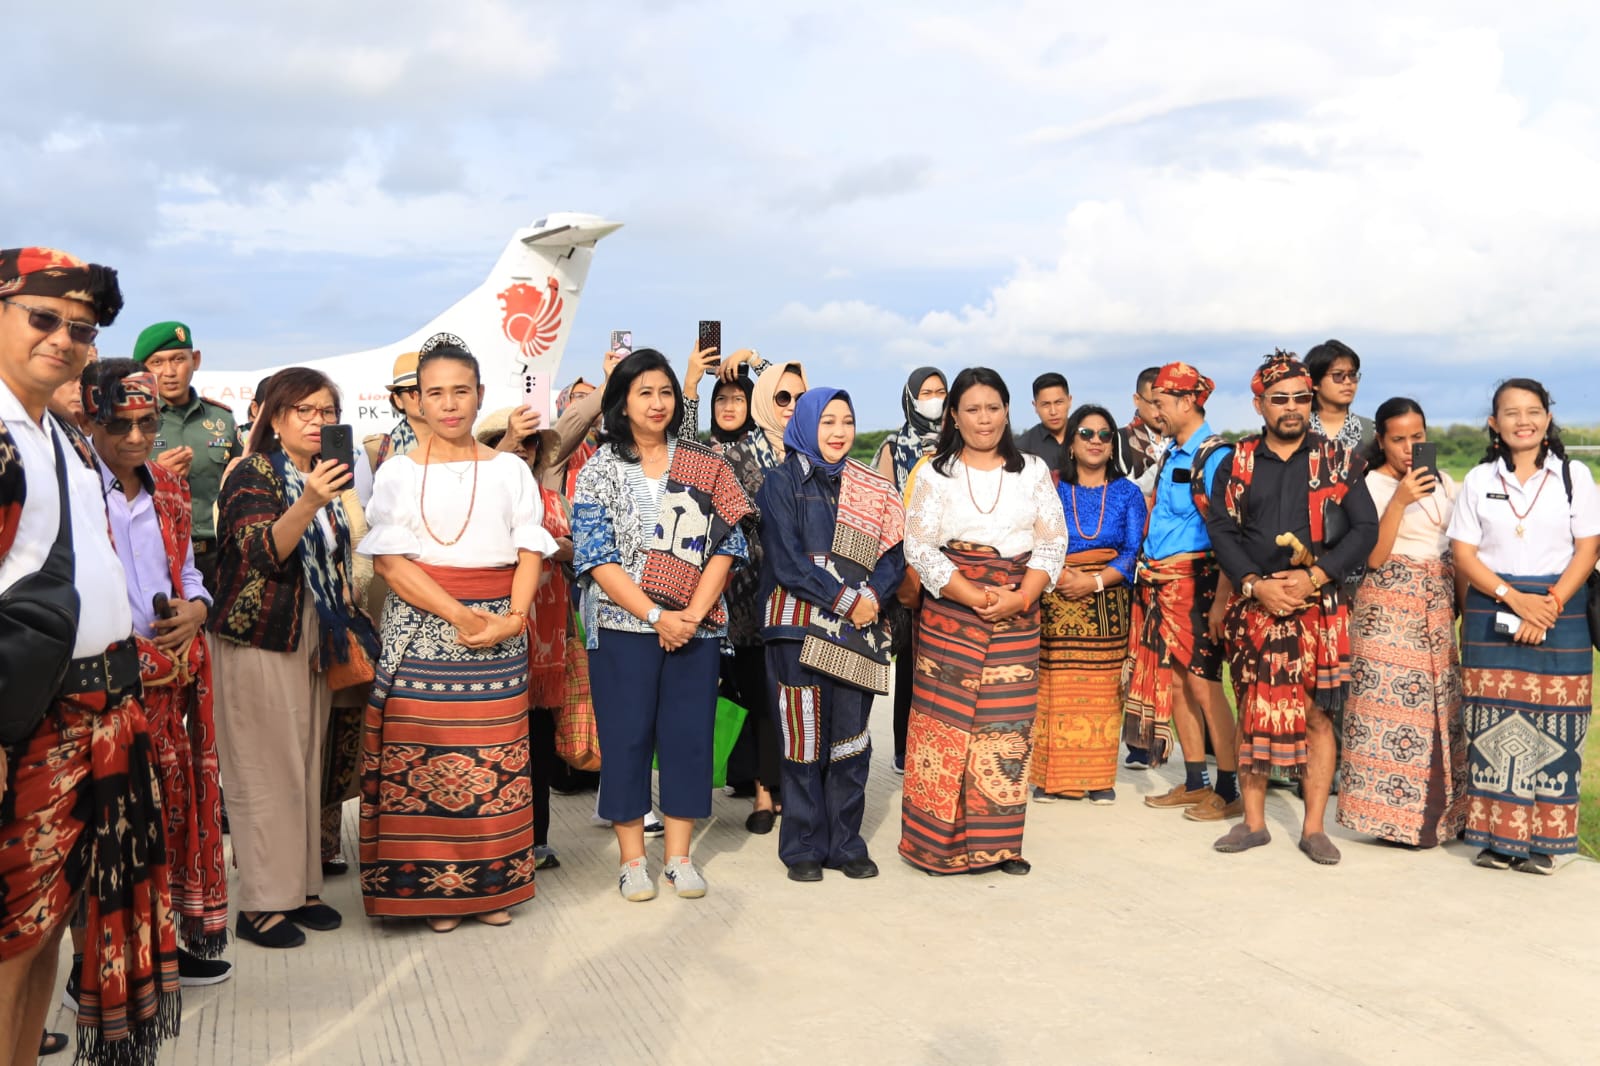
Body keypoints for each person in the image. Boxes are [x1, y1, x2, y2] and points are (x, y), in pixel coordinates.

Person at [0, 247, 180, 1066]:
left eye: (80, 328)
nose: (65, 340)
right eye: (42, 319)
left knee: (44, 935)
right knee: (8, 935)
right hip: (29, 723)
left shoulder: (62, 439)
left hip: (100, 712)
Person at [358, 349, 556, 929]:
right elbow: (391, 565)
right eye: (436, 392)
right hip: (423, 630)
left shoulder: (509, 469)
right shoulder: (396, 471)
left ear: (478, 393)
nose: (448, 404)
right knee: (425, 762)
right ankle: (433, 896)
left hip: (499, 631)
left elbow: (530, 552)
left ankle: (491, 890)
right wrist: (461, 617)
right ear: (417, 399)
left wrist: (512, 619)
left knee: (495, 766)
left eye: (461, 391)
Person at [572, 349, 752, 901]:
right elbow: (594, 555)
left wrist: (692, 615)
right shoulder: (599, 468)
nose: (656, 403)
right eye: (644, 392)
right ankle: (632, 861)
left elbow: (731, 540)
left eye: (666, 392)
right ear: (621, 401)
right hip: (621, 629)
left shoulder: (703, 460)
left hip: (695, 631)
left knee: (688, 740)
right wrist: (653, 614)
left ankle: (677, 858)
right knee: (626, 741)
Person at [210, 367, 378, 947]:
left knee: (306, 764)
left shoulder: (328, 477)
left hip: (313, 633)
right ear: (274, 418)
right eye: (304, 411)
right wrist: (309, 500)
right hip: (259, 634)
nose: (318, 421)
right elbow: (262, 552)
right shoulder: (251, 472)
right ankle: (260, 905)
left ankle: (301, 889)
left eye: (327, 412)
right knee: (265, 767)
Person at [80, 360, 231, 986]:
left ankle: (168, 947)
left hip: (173, 685)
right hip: (104, 688)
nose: (138, 438)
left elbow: (188, 572)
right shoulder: (77, 493)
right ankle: (94, 971)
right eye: (121, 425)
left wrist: (196, 610)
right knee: (109, 832)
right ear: (91, 420)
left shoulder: (169, 492)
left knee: (171, 815)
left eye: (147, 424)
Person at [1206, 352, 1378, 865]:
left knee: (1318, 718)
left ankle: (1313, 828)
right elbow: (1222, 531)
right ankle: (1253, 823)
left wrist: (1313, 576)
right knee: (1253, 713)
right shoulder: (1236, 462)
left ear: (1310, 402)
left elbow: (1365, 528)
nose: (1291, 408)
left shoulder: (1339, 460)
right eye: (1279, 399)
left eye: (1300, 398)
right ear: (1259, 404)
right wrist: (1256, 585)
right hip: (1254, 605)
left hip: (1317, 605)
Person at [899, 367, 1068, 876]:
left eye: (993, 407)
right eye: (972, 409)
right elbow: (919, 546)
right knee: (945, 731)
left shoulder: (1032, 471)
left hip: (1018, 609)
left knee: (1004, 732)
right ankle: (936, 849)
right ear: (954, 415)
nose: (984, 418)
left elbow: (1053, 540)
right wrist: (970, 594)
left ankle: (1000, 847)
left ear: (1008, 410)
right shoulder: (933, 473)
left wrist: (1022, 598)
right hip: (951, 611)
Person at [1446, 378, 1600, 874]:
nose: (1523, 421)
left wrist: (1548, 605)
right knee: (1491, 723)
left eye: (1532, 411)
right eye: (1510, 412)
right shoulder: (1477, 480)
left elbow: (1588, 548)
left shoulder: (1574, 475)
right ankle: (1495, 838)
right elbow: (1463, 554)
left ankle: (1546, 845)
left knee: (1559, 724)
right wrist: (1514, 599)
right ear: (1494, 423)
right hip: (1494, 605)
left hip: (1563, 604)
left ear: (1548, 418)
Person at [756, 388, 905, 881]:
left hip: (858, 632)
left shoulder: (872, 488)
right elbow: (787, 563)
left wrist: (874, 599)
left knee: (851, 741)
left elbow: (893, 554)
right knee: (803, 741)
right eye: (827, 422)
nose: (839, 432)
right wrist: (848, 600)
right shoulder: (779, 482)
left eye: (847, 421)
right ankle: (801, 846)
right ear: (804, 425)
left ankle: (846, 843)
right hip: (796, 630)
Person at [1337, 398, 1466, 848]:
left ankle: (1439, 820)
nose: (1411, 448)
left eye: (1418, 437)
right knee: (1389, 716)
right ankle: (1387, 821)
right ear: (1381, 441)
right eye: (1399, 439)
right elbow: (1372, 556)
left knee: (1438, 714)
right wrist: (1400, 499)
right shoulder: (1369, 485)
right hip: (1387, 612)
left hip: (1435, 609)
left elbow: (1457, 549)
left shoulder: (1447, 483)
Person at [1122, 362, 1240, 822]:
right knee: (1176, 683)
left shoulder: (1214, 457)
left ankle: (1228, 789)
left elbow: (1228, 533)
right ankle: (1196, 781)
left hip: (1196, 583)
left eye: (1162, 403)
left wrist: (1221, 599)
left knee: (1205, 684)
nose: (1156, 412)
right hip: (1161, 584)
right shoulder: (1174, 452)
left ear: (1188, 402)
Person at [1031, 405, 1146, 804]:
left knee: (1101, 688)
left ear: (1112, 443)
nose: (1095, 441)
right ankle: (1050, 780)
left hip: (1107, 600)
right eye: (1086, 433)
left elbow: (1133, 551)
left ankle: (1098, 779)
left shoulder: (1128, 493)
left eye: (1103, 434)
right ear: (1071, 443)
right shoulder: (1051, 487)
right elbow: (1037, 537)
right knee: (1055, 687)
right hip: (1055, 592)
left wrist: (1094, 581)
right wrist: (1060, 575)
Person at [480, 406, 577, 869]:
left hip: (546, 644)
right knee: (496, 743)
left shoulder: (553, 501)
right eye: (509, 438)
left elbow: (583, 552)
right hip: (495, 637)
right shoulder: (479, 496)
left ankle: (536, 840)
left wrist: (554, 547)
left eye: (530, 440)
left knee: (538, 744)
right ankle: (495, 843)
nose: (521, 447)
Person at [718, 360, 811, 832]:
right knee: (760, 696)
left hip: (803, 598)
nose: (791, 407)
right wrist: (756, 364)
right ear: (764, 403)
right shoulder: (734, 455)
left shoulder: (813, 456)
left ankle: (788, 788)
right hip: (749, 594)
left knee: (793, 695)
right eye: (781, 398)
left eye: (799, 398)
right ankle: (761, 789)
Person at [872, 366, 947, 773]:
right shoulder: (893, 446)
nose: (934, 398)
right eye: (926, 391)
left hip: (954, 565)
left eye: (940, 391)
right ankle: (905, 748)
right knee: (911, 661)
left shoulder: (959, 440)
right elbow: (883, 511)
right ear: (910, 398)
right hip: (910, 568)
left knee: (945, 661)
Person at [135, 320, 241, 594]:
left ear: (195, 360)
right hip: (155, 551)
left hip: (219, 553)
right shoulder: (130, 420)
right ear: (142, 370)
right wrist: (155, 473)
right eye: (157, 362)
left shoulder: (222, 419)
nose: (169, 372)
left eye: (178, 359)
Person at [1306, 339, 1374, 453]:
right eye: (1338, 375)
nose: (1348, 382)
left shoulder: (1371, 431)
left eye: (1352, 375)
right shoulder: (1295, 428)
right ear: (1315, 382)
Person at [364, 352, 425, 469]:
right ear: (398, 400)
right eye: (414, 390)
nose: (423, 396)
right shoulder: (377, 450)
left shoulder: (464, 447)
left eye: (432, 390)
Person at [1118, 366, 1164, 494]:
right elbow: (1118, 493)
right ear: (1137, 400)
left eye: (1165, 403)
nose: (1159, 412)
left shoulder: (1183, 440)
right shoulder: (1118, 440)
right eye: (1153, 403)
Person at [1015, 371, 1072, 470]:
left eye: (1058, 402)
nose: (1053, 412)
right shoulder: (1023, 448)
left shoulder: (1089, 438)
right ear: (1035, 406)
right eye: (1046, 404)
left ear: (1069, 401)